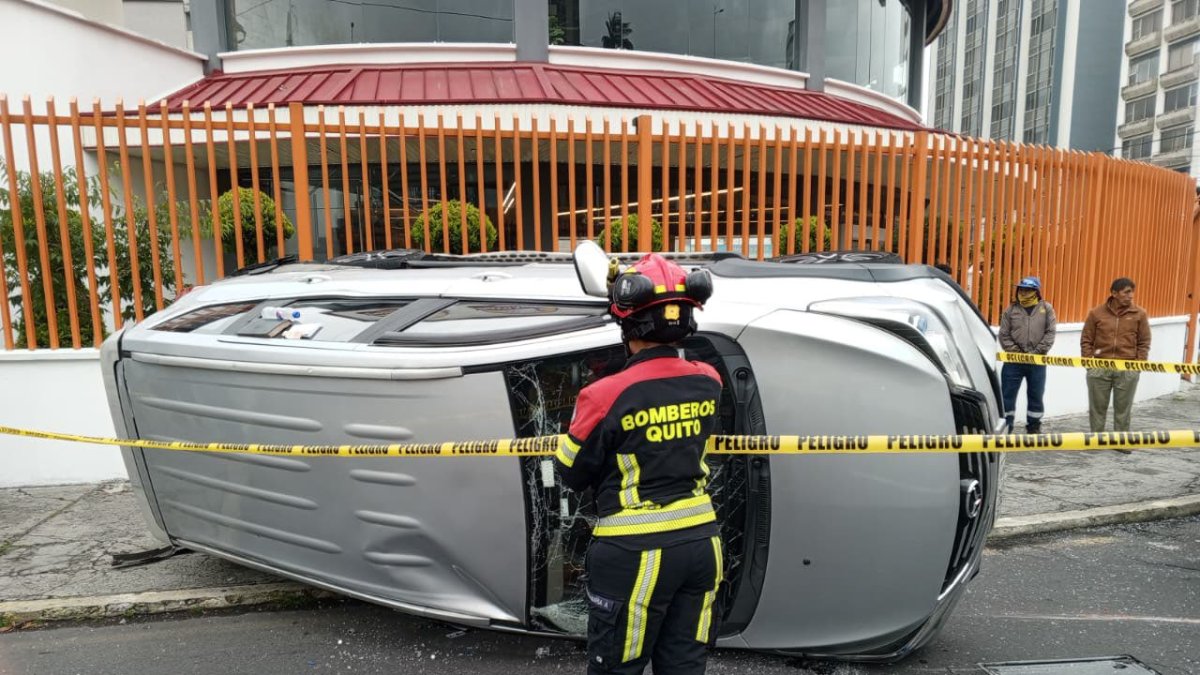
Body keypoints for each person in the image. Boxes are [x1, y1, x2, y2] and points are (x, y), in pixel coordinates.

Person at [556, 253, 723, 675]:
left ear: (628, 323)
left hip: (635, 553)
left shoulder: (603, 395)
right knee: (684, 666)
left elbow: (570, 472)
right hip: (702, 546)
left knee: (616, 668)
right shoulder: (709, 380)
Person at [1080, 277, 1151, 451]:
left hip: (1127, 368)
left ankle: (1121, 442)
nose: (1131, 296)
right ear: (1114, 293)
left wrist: (1138, 365)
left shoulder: (1139, 314)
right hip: (1100, 367)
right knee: (1097, 407)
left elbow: (1144, 342)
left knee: (1123, 409)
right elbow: (1086, 339)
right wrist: (1089, 364)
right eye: (1126, 292)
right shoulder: (1096, 313)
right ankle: (1097, 441)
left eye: (1132, 292)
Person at [998, 276, 1057, 433]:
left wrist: (1036, 352)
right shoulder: (1011, 310)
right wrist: (1016, 352)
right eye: (1022, 289)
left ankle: (1034, 427)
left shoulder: (1047, 308)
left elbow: (1050, 333)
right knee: (1007, 396)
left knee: (1036, 395)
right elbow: (1004, 334)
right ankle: (1006, 428)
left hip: (1037, 362)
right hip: (1013, 362)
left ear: (1036, 292)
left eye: (1028, 290)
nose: (1024, 293)